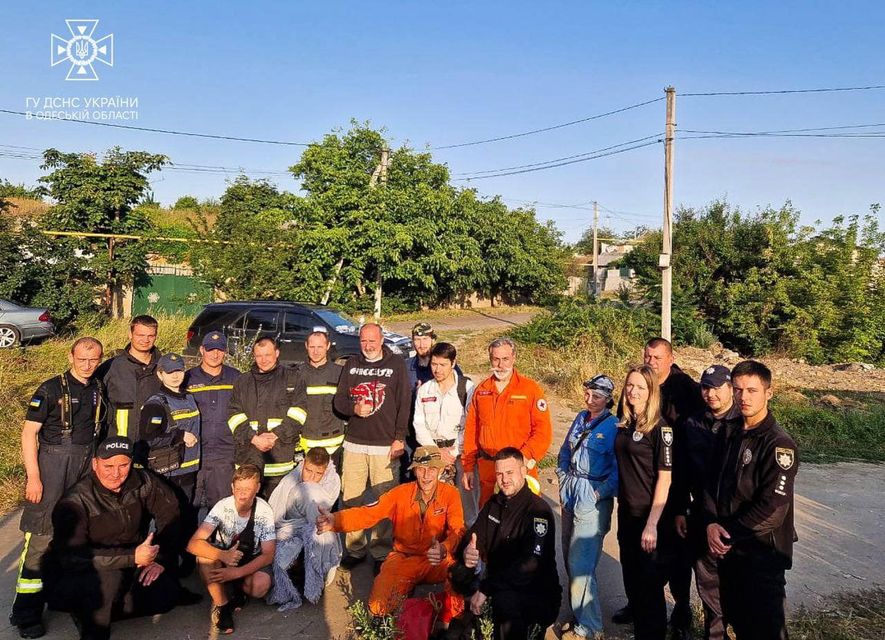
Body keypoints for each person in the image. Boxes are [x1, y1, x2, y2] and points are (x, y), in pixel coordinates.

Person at [43, 436, 200, 640]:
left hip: (131, 561)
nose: (116, 474)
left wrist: (159, 558)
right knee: (109, 580)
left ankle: (100, 609)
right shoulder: (75, 501)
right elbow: (73, 558)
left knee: (166, 597)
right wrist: (132, 557)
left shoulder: (144, 481)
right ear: (94, 464)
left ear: (131, 462)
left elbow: (171, 515)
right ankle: (94, 625)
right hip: (79, 572)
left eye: (123, 465)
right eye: (108, 466)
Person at [11, 337, 106, 639]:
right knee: (41, 539)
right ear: (70, 357)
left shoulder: (98, 389)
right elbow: (29, 434)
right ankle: (26, 613)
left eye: (94, 360)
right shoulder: (49, 389)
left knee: (80, 537)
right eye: (82, 359)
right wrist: (33, 476)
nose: (88, 365)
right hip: (52, 466)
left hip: (83, 464)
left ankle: (70, 600)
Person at [317, 445, 465, 623]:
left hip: (436, 559)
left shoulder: (451, 494)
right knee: (378, 607)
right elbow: (367, 513)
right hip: (403, 558)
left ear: (440, 470)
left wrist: (444, 548)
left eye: (432, 469)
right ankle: (404, 591)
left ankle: (455, 622)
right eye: (421, 469)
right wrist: (335, 520)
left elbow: (458, 530)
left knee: (461, 575)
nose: (426, 476)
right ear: (414, 470)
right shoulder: (399, 494)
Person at [704, 361, 798, 640]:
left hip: (762, 555)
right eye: (738, 389)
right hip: (730, 554)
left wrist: (727, 533)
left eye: (752, 390)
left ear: (769, 393)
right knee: (739, 623)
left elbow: (773, 509)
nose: (744, 397)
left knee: (766, 630)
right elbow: (712, 483)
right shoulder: (728, 431)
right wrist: (710, 522)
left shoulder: (779, 444)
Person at [451, 448, 561, 639]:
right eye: (499, 474)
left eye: (510, 472)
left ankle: (526, 630)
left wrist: (486, 588)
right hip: (499, 582)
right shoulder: (494, 504)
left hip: (534, 591)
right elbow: (474, 537)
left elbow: (529, 566)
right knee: (458, 572)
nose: (504, 479)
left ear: (523, 472)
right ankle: (470, 618)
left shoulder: (538, 511)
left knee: (505, 600)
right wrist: (467, 551)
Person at [635, 337, 705, 637]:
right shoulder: (640, 383)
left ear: (670, 358)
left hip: (676, 482)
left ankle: (681, 608)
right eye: (648, 356)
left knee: (676, 553)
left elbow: (695, 437)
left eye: (658, 357)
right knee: (641, 551)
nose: (652, 361)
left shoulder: (685, 389)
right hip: (644, 480)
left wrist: (686, 494)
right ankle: (640, 603)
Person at [332, 323, 411, 574]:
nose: (368, 346)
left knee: (384, 501)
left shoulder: (395, 364)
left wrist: (400, 437)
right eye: (363, 341)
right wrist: (353, 409)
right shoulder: (352, 364)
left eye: (372, 341)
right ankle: (355, 549)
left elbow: (404, 403)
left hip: (385, 445)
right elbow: (339, 400)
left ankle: (381, 552)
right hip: (355, 443)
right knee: (352, 499)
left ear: (381, 340)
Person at [673, 365, 741, 640]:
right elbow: (682, 472)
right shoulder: (693, 423)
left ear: (730, 389)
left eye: (716, 387)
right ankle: (714, 634)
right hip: (702, 512)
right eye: (705, 387)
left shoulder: (743, 423)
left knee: (741, 583)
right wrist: (679, 509)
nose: (710, 393)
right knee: (708, 582)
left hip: (738, 517)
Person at [614, 364, 675, 640]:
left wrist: (652, 524)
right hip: (627, 513)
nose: (633, 391)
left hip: (650, 518)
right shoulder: (626, 423)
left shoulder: (661, 430)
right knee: (633, 580)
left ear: (652, 392)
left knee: (649, 587)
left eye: (640, 387)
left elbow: (665, 479)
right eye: (630, 385)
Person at [557, 375, 619, 640]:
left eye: (596, 396)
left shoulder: (614, 426)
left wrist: (598, 493)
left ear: (608, 399)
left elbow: (619, 471)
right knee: (569, 555)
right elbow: (564, 452)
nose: (590, 399)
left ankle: (591, 626)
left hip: (592, 497)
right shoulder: (581, 417)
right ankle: (579, 611)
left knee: (581, 561)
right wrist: (561, 478)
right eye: (588, 394)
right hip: (571, 490)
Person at [461, 337, 552, 507]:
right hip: (489, 469)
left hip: (520, 468)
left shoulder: (530, 389)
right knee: (490, 522)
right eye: (496, 359)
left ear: (514, 358)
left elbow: (542, 431)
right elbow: (471, 431)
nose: (501, 365)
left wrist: (523, 458)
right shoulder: (482, 390)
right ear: (490, 359)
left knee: (524, 522)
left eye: (505, 359)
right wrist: (467, 467)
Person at [187, 464, 276, 635]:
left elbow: (268, 555)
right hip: (225, 555)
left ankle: (239, 588)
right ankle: (222, 606)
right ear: (232, 487)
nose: (243, 493)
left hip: (250, 558)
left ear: (257, 488)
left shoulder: (264, 510)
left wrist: (237, 572)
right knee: (204, 557)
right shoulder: (222, 506)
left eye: (248, 489)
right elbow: (192, 544)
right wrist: (222, 555)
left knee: (260, 587)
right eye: (239, 488)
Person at [138, 352, 202, 574]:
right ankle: (165, 567)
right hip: (169, 473)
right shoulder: (156, 403)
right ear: (160, 374)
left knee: (186, 518)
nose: (176, 376)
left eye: (179, 371)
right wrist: (179, 436)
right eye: (170, 372)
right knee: (170, 522)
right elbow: (148, 438)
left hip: (190, 470)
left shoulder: (188, 396)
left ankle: (185, 567)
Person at [227, 337, 307, 498]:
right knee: (249, 513)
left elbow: (299, 412)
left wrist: (276, 434)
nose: (263, 360)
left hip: (280, 458)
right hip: (249, 457)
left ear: (277, 353)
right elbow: (233, 414)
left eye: (267, 355)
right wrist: (254, 438)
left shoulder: (293, 379)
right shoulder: (242, 382)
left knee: (279, 513)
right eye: (259, 356)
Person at [267, 447, 341, 611]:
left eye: (318, 474)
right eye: (308, 471)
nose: (312, 477)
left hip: (315, 525)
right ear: (303, 464)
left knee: (318, 531)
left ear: (326, 470)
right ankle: (299, 575)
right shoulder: (290, 481)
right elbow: (276, 515)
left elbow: (325, 513)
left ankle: (315, 574)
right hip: (289, 528)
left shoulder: (333, 480)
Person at [413, 342, 477, 523]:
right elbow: (419, 423)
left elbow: (472, 423)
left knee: (467, 506)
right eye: (434, 364)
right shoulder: (425, 389)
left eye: (443, 365)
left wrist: (453, 452)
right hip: (432, 453)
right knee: (433, 506)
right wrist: (436, 451)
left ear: (453, 363)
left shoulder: (467, 388)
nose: (437, 370)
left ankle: (467, 546)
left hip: (461, 454)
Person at [186, 332, 240, 510]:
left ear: (225, 351)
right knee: (188, 508)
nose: (215, 354)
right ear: (202, 350)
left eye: (220, 350)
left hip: (224, 455)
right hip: (194, 453)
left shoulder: (236, 378)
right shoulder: (187, 379)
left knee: (221, 509)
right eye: (210, 349)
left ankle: (218, 539)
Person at [98, 315, 162, 440]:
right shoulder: (111, 367)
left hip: (155, 444)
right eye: (140, 335)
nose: (145, 340)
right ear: (130, 334)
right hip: (118, 445)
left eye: (150, 336)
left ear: (156, 336)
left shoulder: (164, 367)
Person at [296, 330, 346, 473]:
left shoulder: (340, 373)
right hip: (306, 444)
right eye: (312, 347)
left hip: (334, 446)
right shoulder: (296, 374)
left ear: (328, 346)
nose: (316, 351)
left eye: (320, 347)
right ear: (306, 346)